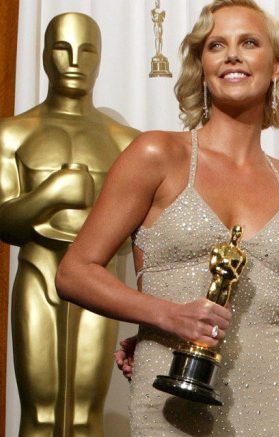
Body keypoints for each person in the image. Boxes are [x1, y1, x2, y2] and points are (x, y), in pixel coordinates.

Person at [56, 1, 279, 435]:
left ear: (277, 66)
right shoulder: (158, 154)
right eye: (216, 45)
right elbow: (74, 272)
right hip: (170, 402)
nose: (233, 55)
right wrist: (164, 315)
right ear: (202, 66)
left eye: (249, 42)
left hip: (274, 404)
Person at [0, 12, 139, 436]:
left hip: (100, 280)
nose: (75, 61)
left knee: (84, 414)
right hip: (39, 272)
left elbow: (137, 232)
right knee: (40, 413)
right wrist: (52, 193)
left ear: (100, 58)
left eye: (87, 50)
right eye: (62, 49)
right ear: (45, 56)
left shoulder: (126, 142)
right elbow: (4, 221)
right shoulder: (12, 134)